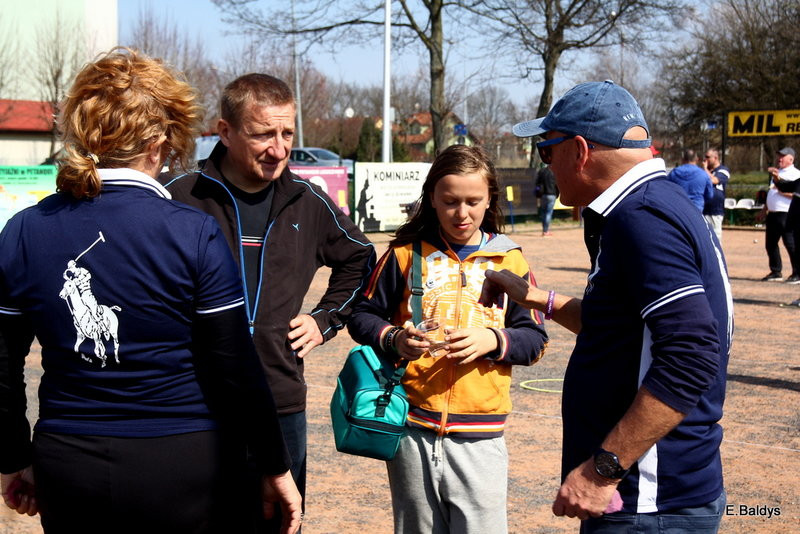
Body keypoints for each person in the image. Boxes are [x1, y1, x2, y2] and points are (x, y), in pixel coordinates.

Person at [0, 49, 301, 533]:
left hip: (68, 459)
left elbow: (2, 367)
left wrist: (12, 456)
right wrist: (275, 465)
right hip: (181, 461)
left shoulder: (23, 231)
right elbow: (236, 367)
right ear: (161, 140)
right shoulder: (193, 232)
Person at [482, 80, 732, 533]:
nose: (547, 165)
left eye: (545, 150)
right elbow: (625, 329)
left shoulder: (642, 217)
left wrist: (604, 470)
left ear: (578, 150)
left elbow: (692, 353)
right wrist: (535, 298)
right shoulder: (653, 204)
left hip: (649, 501)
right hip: (655, 498)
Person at [164, 73, 375, 531]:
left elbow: (362, 259)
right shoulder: (178, 195)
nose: (279, 149)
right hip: (193, 403)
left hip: (280, 403)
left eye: (287, 133)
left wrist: (324, 319)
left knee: (279, 522)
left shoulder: (307, 200)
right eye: (263, 134)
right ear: (225, 132)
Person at [348, 145, 549, 534]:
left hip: (481, 438)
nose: (462, 213)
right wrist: (393, 338)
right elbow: (362, 316)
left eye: (473, 201)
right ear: (432, 201)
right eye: (450, 201)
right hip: (411, 431)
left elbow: (535, 339)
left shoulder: (510, 260)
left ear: (490, 198)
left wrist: (492, 340)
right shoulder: (406, 254)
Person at [762, 147, 800, 284]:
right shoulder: (776, 173)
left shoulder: (796, 174)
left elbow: (794, 193)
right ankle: (776, 271)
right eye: (779, 155)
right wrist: (764, 209)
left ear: (791, 159)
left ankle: (797, 272)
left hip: (786, 213)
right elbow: (773, 192)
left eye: (783, 156)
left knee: (791, 244)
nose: (780, 158)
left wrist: (781, 191)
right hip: (772, 213)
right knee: (770, 244)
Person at [666, 149, 715, 213]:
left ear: (683, 159)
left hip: (678, 209)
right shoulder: (704, 175)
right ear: (697, 159)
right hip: (697, 209)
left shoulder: (674, 173)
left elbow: (666, 191)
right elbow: (709, 195)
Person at [702, 148, 730, 240]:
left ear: (715, 157)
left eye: (708, 157)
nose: (705, 160)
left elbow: (714, 180)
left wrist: (705, 169)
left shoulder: (723, 170)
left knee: (715, 238)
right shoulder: (705, 171)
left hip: (715, 210)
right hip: (703, 208)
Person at [536, 163, 558, 236]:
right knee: (548, 213)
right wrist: (557, 194)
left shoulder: (541, 172)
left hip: (543, 195)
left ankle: (544, 230)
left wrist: (538, 194)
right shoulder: (553, 172)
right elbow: (556, 184)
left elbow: (537, 183)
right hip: (552, 195)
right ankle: (546, 231)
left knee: (543, 212)